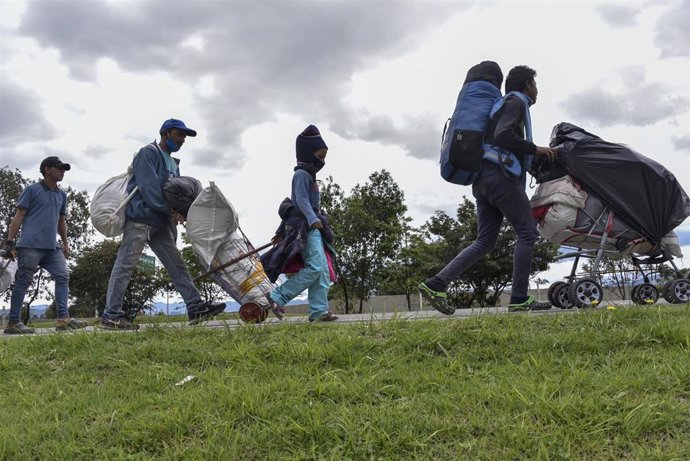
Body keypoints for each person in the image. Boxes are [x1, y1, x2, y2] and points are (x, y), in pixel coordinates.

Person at [419, 65, 557, 314]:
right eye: (535, 85)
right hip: (500, 178)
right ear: (527, 84)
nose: (537, 91)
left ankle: (436, 284)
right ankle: (519, 298)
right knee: (527, 234)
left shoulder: (502, 104)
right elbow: (504, 136)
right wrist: (535, 149)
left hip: (482, 180)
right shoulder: (516, 101)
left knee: (485, 241)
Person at [101, 119, 226, 330]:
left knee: (176, 264)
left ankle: (195, 306)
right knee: (125, 265)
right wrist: (170, 211)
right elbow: (149, 188)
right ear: (166, 134)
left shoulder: (173, 162)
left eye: (185, 137)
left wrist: (180, 212)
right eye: (179, 135)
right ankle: (111, 314)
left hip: (161, 222)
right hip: (141, 218)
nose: (182, 140)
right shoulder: (148, 153)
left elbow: (174, 193)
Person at [3, 156, 88, 334]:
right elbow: (19, 216)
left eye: (64, 168)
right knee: (23, 282)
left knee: (63, 275)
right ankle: (13, 323)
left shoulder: (61, 195)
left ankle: (63, 319)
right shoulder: (32, 190)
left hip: (52, 248)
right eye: (59, 168)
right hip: (30, 246)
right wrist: (10, 242)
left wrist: (65, 243)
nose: (62, 171)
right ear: (47, 169)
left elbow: (61, 221)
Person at [265, 125, 338, 322]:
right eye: (320, 156)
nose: (322, 161)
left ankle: (318, 311)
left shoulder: (310, 176)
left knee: (321, 270)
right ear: (307, 153)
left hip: (312, 227)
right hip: (304, 229)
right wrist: (313, 219)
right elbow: (299, 200)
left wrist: (280, 229)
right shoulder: (301, 175)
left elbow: (296, 204)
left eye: (324, 158)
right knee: (315, 267)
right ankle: (277, 296)